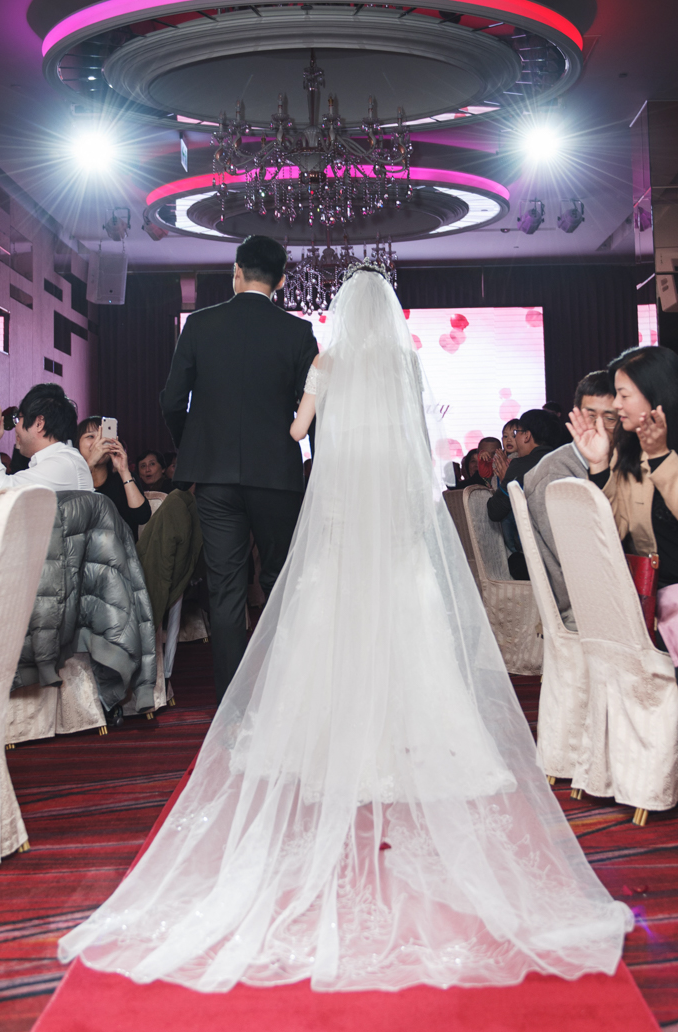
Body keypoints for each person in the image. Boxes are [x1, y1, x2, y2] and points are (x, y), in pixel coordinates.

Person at [60, 265, 631, 992]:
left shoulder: (326, 363)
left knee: (328, 616)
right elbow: (421, 443)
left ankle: (327, 738)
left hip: (340, 512)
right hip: (393, 514)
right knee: (405, 616)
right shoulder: (408, 364)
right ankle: (413, 738)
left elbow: (299, 431)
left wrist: (297, 414)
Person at [160, 234, 318, 701]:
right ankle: (286, 695)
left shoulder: (199, 325)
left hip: (214, 478)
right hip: (277, 477)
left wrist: (193, 448)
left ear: (236, 272)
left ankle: (231, 702)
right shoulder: (298, 333)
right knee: (280, 582)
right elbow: (314, 409)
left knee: (226, 589)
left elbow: (172, 400)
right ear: (282, 281)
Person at [568, 346, 678, 665]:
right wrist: (599, 465)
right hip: (654, 601)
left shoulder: (654, 451)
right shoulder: (629, 450)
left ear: (655, 394)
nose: (616, 405)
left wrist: (661, 458)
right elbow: (612, 534)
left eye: (623, 395)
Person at [524, 371, 618, 629]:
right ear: (575, 415)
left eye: (610, 418)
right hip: (588, 609)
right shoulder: (556, 474)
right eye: (590, 416)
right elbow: (581, 562)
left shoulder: (621, 461)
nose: (599, 427)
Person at [0, 384, 93, 498]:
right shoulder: (56, 462)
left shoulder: (63, 464)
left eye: (19, 418)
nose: (16, 427)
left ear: (39, 423)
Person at [488, 409, 563, 580]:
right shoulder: (564, 462)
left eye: (517, 433)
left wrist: (506, 482)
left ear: (527, 436)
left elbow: (494, 512)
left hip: (540, 560)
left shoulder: (520, 466)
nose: (514, 439)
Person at [77, 417, 151, 540]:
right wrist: (90, 463)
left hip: (121, 548)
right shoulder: (73, 479)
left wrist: (123, 471)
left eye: (103, 436)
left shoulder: (124, 478)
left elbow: (142, 517)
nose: (99, 442)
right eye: (91, 436)